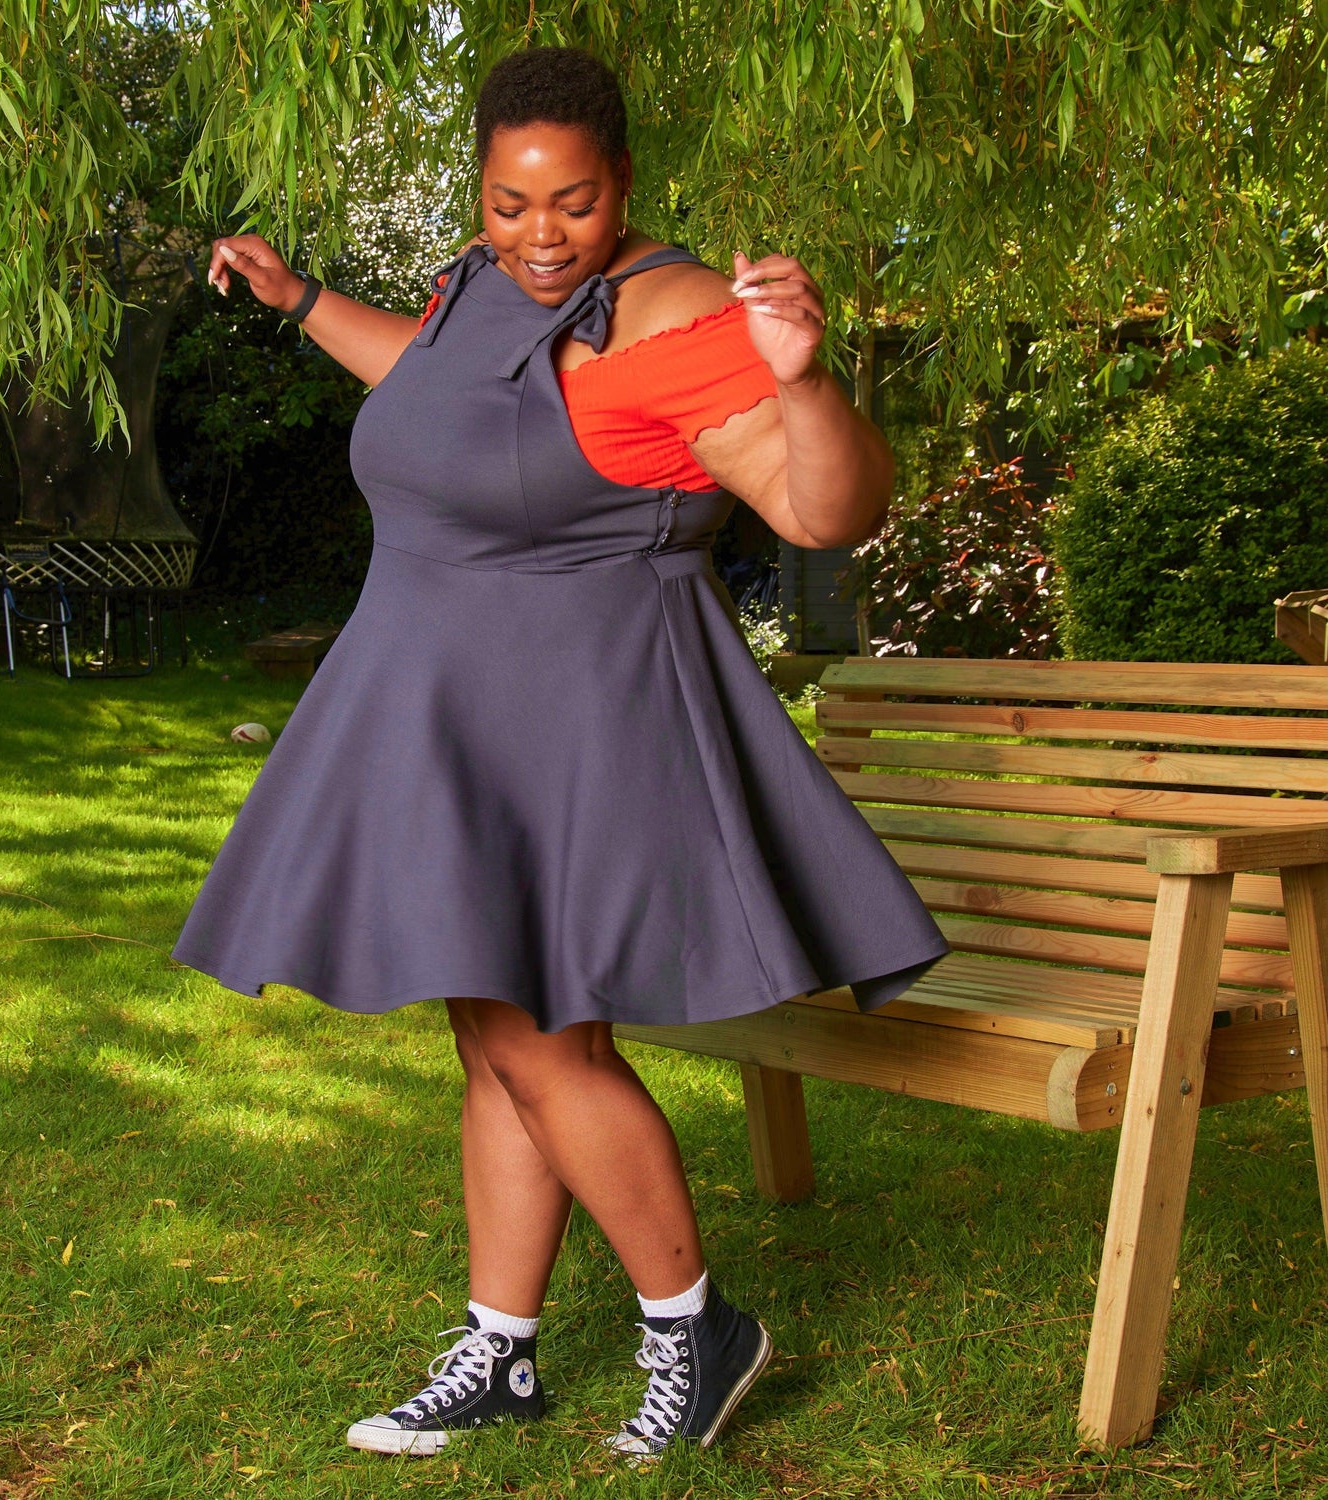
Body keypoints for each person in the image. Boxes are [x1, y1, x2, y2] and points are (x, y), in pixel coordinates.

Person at [176, 45, 948, 1463]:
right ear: (481, 191)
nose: (541, 236)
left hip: (586, 709)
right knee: (492, 1030)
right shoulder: (481, 280)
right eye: (510, 202)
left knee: (538, 1036)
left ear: (626, 187)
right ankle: (504, 1351)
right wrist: (300, 305)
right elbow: (435, 386)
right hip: (446, 699)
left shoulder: (673, 316)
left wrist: (807, 382)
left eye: (573, 205)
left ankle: (694, 1325)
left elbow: (821, 506)